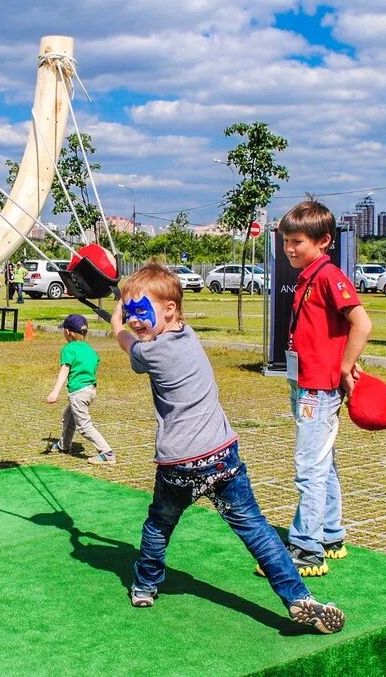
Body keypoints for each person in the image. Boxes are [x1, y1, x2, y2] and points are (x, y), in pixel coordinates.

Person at [109, 263, 345, 633]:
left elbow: (126, 343)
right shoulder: (188, 335)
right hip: (223, 457)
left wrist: (116, 320)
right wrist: (130, 308)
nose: (135, 320)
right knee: (257, 531)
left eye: (141, 312)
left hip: (179, 466)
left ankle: (144, 584)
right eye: (131, 313)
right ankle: (297, 596)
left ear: (169, 310)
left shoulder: (151, 354)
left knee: (158, 525)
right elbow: (142, 334)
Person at [277, 198, 372, 578]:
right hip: (305, 381)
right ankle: (331, 534)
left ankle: (306, 548)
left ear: (324, 241)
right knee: (323, 462)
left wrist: (346, 364)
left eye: (297, 241)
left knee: (309, 467)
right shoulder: (308, 276)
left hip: (318, 387)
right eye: (286, 241)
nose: (289, 248)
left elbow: (362, 324)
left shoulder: (329, 276)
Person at [44, 313, 116, 464]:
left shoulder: (69, 349)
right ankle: (64, 445)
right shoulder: (90, 350)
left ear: (68, 332)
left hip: (79, 392)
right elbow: (94, 364)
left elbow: (64, 370)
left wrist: (55, 392)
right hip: (91, 390)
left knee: (84, 426)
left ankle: (107, 452)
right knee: (68, 416)